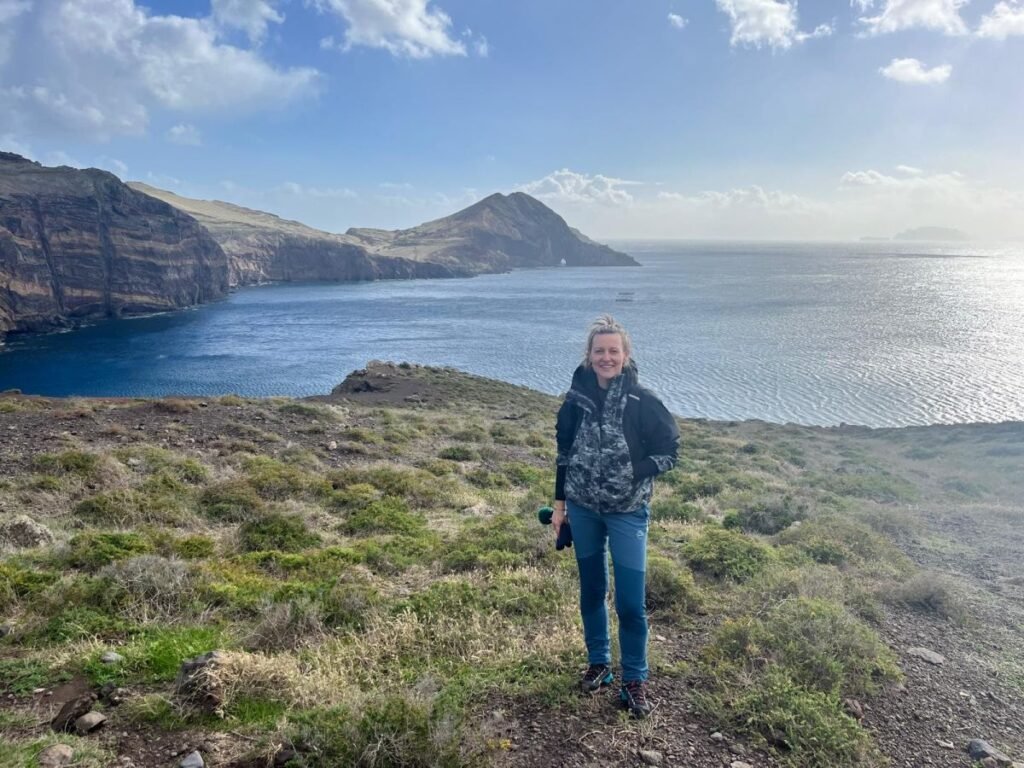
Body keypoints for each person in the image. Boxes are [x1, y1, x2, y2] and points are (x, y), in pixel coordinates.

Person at [553, 315, 680, 718]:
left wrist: (633, 470)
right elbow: (563, 455)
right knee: (591, 590)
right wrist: (560, 507)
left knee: (630, 603)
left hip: (628, 512)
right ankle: (599, 664)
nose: (606, 357)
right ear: (588, 357)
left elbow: (670, 453)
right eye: (599, 351)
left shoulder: (644, 401)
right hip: (583, 509)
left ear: (625, 356)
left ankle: (635, 679)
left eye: (613, 351)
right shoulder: (574, 401)